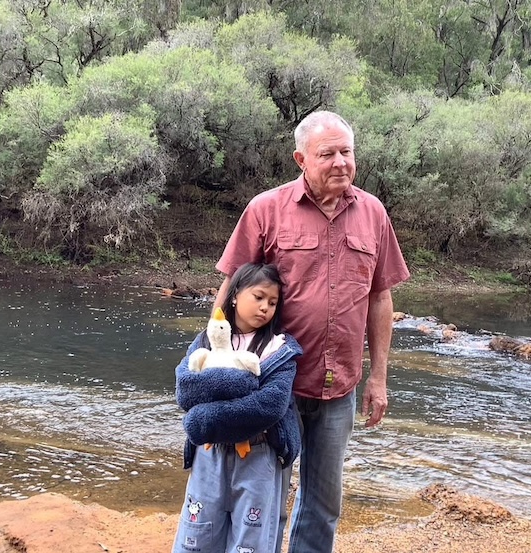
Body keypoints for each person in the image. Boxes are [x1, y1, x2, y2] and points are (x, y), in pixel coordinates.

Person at [213, 111, 410, 552]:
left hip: (339, 385)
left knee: (323, 502)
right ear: (301, 159)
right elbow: (231, 288)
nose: (340, 162)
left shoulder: (373, 213)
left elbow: (381, 297)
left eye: (347, 152)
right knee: (265, 495)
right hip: (272, 383)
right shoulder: (266, 209)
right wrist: (217, 366)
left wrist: (379, 377)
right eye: (327, 154)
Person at [172, 262, 303, 553]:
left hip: (259, 455)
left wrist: (204, 417)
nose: (265, 307)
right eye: (258, 297)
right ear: (234, 296)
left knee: (251, 539)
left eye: (272, 302)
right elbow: (186, 390)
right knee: (198, 532)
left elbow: (270, 406)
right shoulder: (206, 340)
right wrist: (245, 384)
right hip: (209, 454)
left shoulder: (280, 349)